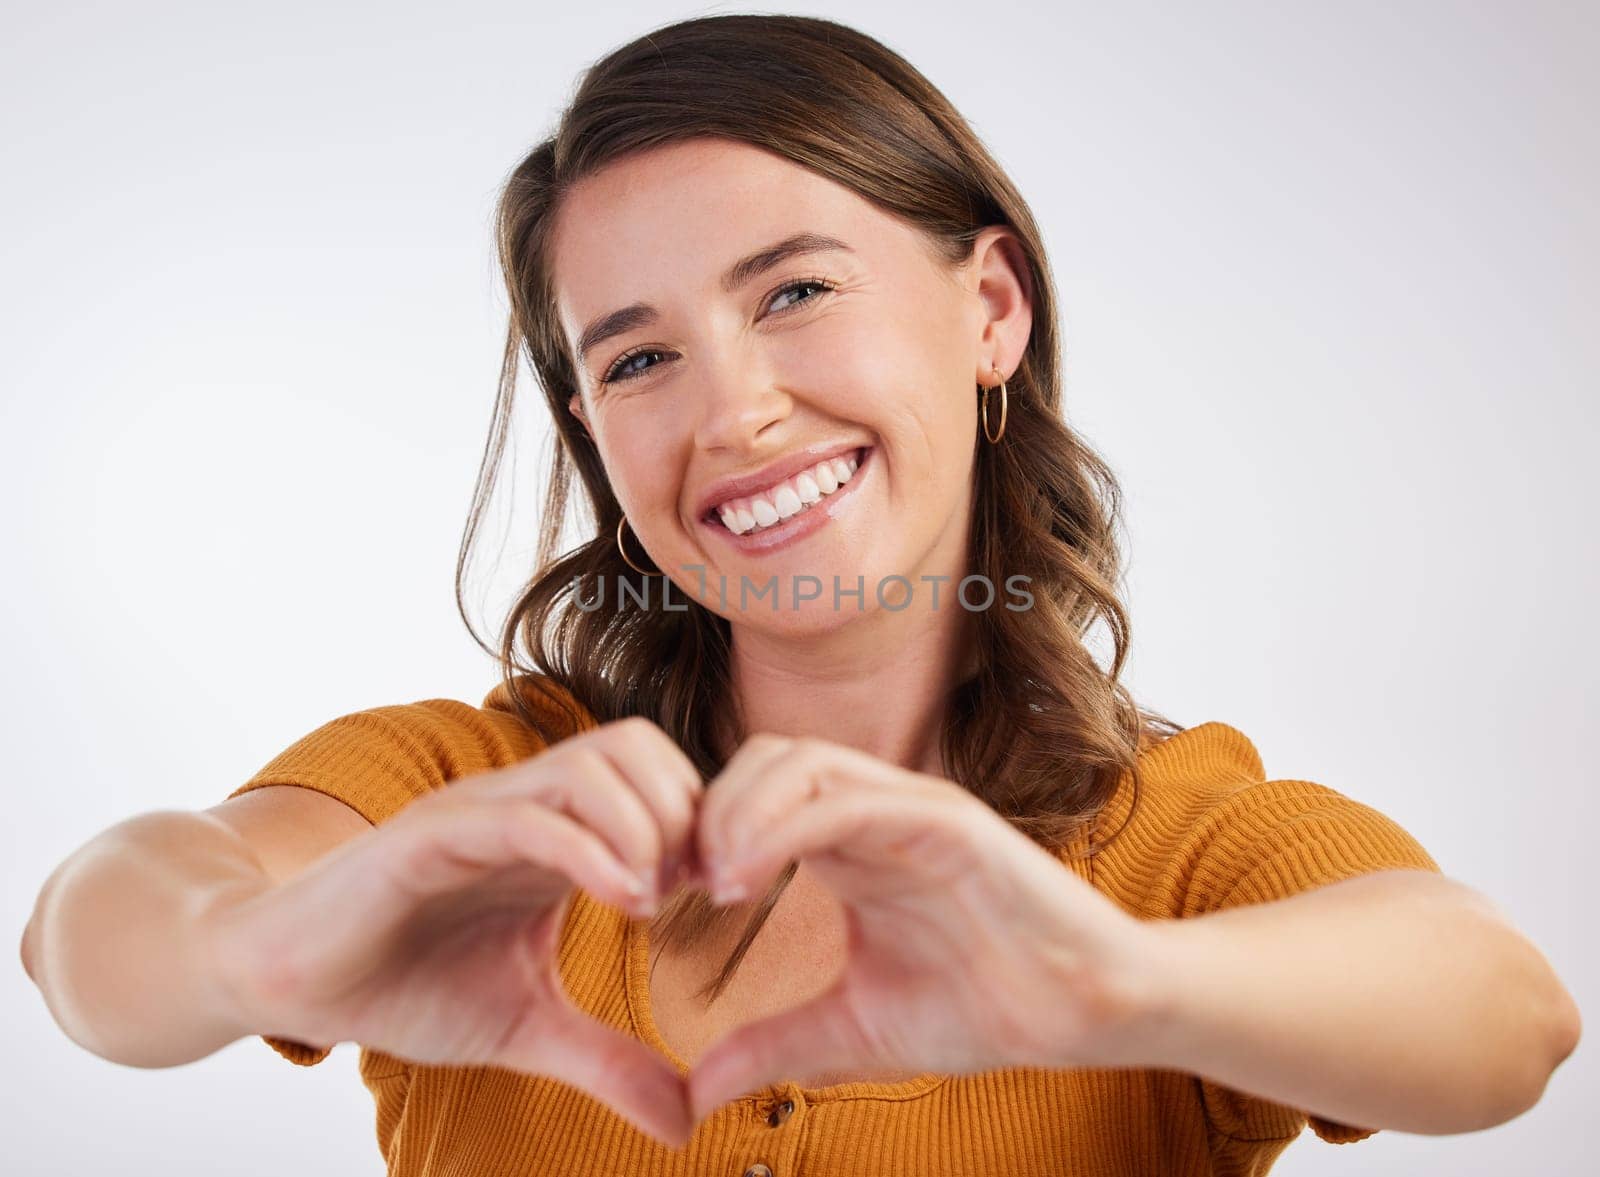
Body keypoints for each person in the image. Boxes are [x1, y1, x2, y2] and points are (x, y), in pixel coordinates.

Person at [21, 13, 1580, 1177]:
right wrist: (259, 950)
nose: (735, 411)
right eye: (636, 358)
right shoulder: (484, 795)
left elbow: (1506, 1014)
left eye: (794, 291)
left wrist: (1118, 983)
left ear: (988, 308)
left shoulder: (1166, 846)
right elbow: (88, 940)